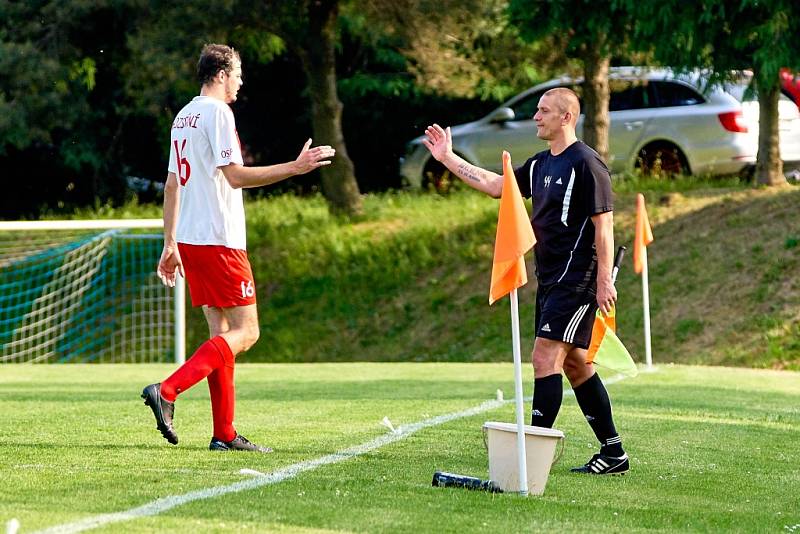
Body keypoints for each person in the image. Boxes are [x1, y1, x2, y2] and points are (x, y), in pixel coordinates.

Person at [422, 87, 629, 475]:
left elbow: (605, 226)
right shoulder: (538, 165)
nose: (535, 117)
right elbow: (497, 187)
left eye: (543, 111)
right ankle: (614, 453)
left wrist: (603, 281)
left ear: (566, 117)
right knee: (577, 365)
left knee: (543, 358)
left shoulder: (587, 163)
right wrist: (447, 157)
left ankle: (529, 458)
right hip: (550, 278)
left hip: (577, 277)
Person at [142, 43, 335, 453]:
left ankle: (224, 434)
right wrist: (295, 168)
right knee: (248, 332)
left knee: (221, 336)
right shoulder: (218, 113)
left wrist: (170, 242)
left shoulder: (183, 116)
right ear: (222, 74)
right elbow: (234, 176)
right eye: (238, 74)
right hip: (220, 239)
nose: (241, 82)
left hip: (193, 240)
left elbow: (173, 183)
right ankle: (169, 390)